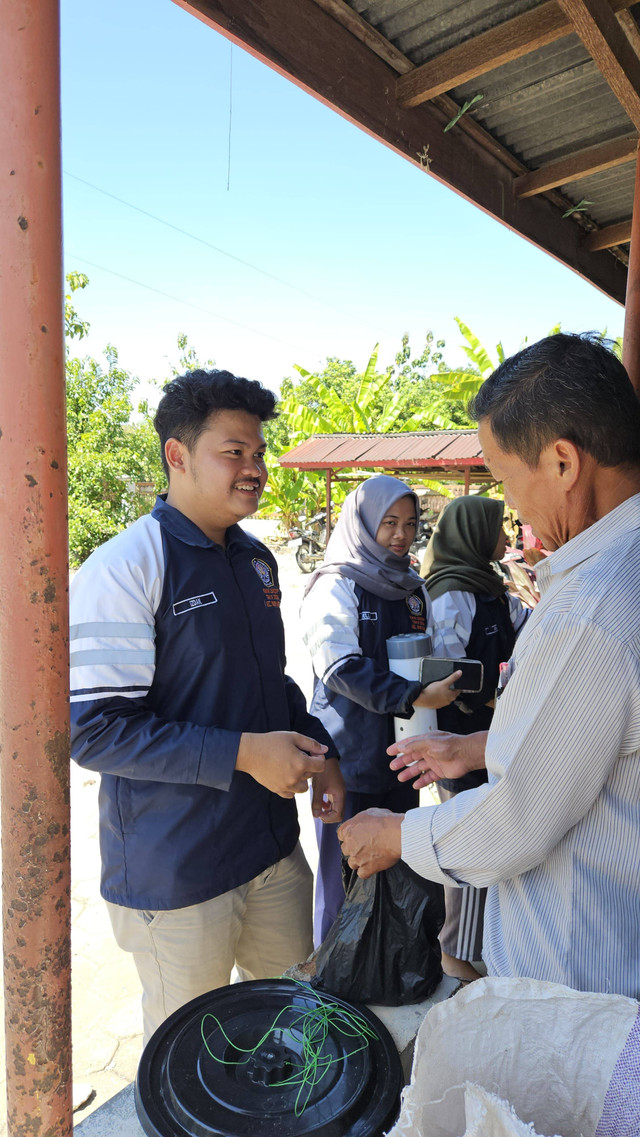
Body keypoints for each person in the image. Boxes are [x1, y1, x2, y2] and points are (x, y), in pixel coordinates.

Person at [338, 333, 640, 998]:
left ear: (563, 462)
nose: (513, 510)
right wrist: (480, 744)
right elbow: (597, 742)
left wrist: (395, 834)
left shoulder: (586, 610)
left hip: (581, 972)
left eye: (506, 478)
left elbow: (517, 819)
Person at [70, 368, 344, 1043]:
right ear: (177, 455)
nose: (254, 468)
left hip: (271, 850)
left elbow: (272, 687)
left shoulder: (255, 561)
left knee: (300, 1021)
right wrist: (246, 753)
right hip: (178, 870)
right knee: (194, 1055)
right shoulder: (128, 565)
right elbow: (95, 731)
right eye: (234, 452)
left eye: (257, 452)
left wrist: (321, 751)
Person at [300, 474, 459, 943]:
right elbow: (340, 669)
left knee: (398, 874)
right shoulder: (336, 586)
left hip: (402, 759)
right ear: (363, 524)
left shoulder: (414, 590)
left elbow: (432, 656)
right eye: (388, 522)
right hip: (348, 762)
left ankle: (390, 970)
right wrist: (412, 696)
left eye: (410, 524)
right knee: (343, 879)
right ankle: (334, 981)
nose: (400, 535)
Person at [421, 495, 529, 981]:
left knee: (495, 834)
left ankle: (480, 942)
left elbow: (526, 633)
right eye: (497, 529)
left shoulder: (490, 585)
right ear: (473, 534)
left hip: (496, 728)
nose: (505, 538)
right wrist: (489, 697)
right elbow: (447, 668)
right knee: (468, 838)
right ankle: (454, 951)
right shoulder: (451, 591)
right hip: (464, 735)